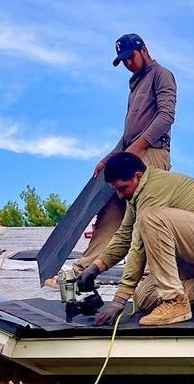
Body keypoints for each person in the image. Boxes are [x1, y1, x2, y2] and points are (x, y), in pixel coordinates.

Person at [76, 152, 194, 328]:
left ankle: (175, 302)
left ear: (138, 176)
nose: (120, 195)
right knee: (144, 296)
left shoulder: (154, 188)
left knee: (150, 218)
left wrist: (119, 301)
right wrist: (95, 268)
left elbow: (138, 246)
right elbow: (124, 237)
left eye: (123, 188)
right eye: (116, 190)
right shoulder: (136, 195)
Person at [72, 33, 177, 271]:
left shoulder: (162, 75)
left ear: (144, 50)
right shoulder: (136, 85)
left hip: (152, 153)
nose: (128, 64)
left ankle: (153, 271)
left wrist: (134, 150)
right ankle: (86, 267)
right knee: (111, 207)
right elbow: (128, 135)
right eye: (123, 61)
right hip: (132, 153)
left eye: (131, 57)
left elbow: (166, 117)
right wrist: (109, 159)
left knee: (146, 214)